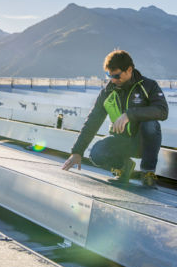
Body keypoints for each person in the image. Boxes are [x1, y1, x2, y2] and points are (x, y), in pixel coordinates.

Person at [62, 50, 168, 188]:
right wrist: (77, 152)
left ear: (129, 70)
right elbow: (92, 122)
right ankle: (124, 167)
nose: (112, 80)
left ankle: (147, 172)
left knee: (150, 124)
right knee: (96, 153)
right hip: (122, 141)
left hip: (143, 143)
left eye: (116, 76)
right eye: (109, 75)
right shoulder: (107, 92)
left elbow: (162, 111)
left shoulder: (148, 86)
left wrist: (130, 114)